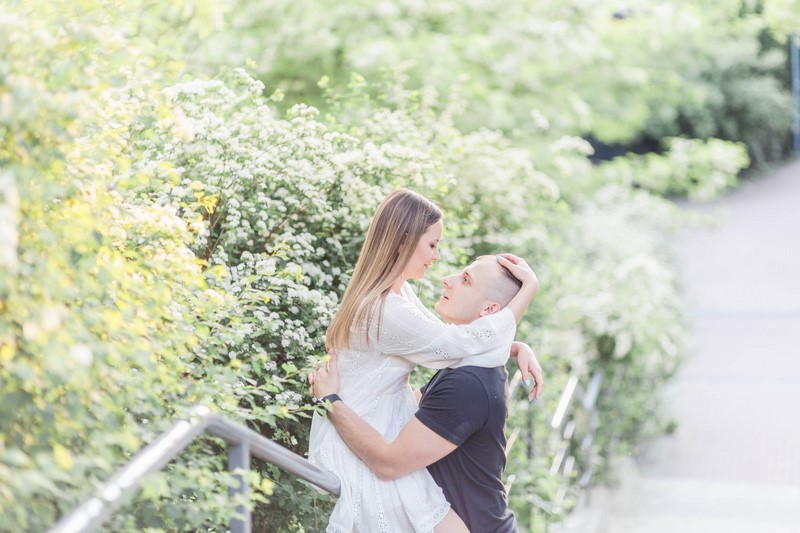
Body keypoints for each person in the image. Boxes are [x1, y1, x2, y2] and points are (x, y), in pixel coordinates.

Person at [307, 188, 540, 532]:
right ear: (403, 240)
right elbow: (452, 344)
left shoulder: (400, 294)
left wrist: (516, 346)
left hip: (377, 422)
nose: (437, 255)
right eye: (432, 244)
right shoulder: (386, 309)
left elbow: (445, 343)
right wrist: (527, 291)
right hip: (362, 428)